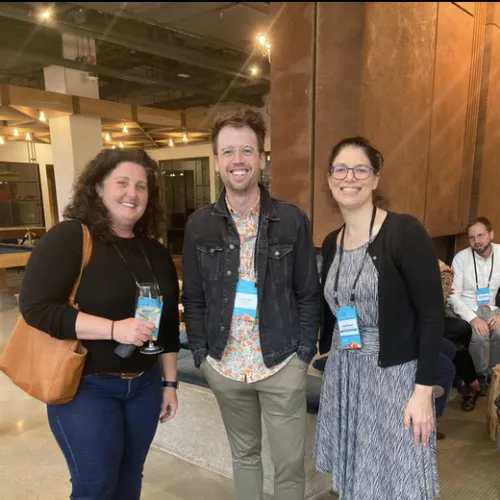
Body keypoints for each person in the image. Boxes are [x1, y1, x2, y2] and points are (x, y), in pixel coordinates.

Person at [19, 148, 180, 500]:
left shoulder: (154, 252)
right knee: (94, 486)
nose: (132, 193)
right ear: (97, 189)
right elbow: (37, 308)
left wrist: (169, 383)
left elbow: (166, 326)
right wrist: (113, 328)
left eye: (141, 186)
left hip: (144, 387)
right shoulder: (70, 238)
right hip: (85, 387)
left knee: (129, 479)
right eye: (122, 182)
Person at [182, 107, 321, 500]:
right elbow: (192, 298)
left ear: (262, 158)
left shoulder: (292, 221)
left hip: (280, 363)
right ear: (216, 162)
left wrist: (302, 358)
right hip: (225, 364)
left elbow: (308, 294)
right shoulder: (199, 225)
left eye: (247, 150)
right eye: (227, 152)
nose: (237, 161)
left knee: (289, 464)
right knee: (244, 458)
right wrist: (202, 357)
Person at [314, 136, 442, 499]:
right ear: (329, 178)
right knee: (357, 473)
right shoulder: (330, 241)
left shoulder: (403, 232)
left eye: (360, 169)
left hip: (394, 377)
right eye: (340, 169)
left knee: (399, 476)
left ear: (374, 179)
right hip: (346, 372)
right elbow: (334, 310)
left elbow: (432, 317)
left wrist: (422, 392)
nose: (348, 177)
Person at [448, 217, 500, 395]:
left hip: (492, 308)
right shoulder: (461, 258)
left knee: (499, 332)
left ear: (490, 234)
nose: (476, 241)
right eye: (472, 237)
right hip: (466, 307)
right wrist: (473, 318)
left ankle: (494, 375)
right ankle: (478, 377)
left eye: (480, 235)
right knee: (478, 337)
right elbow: (453, 295)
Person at [439, 260, 481, 411]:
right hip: (417, 322)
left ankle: (462, 377)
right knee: (455, 347)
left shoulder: (419, 257)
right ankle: (468, 382)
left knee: (463, 327)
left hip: (432, 317)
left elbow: (441, 266)